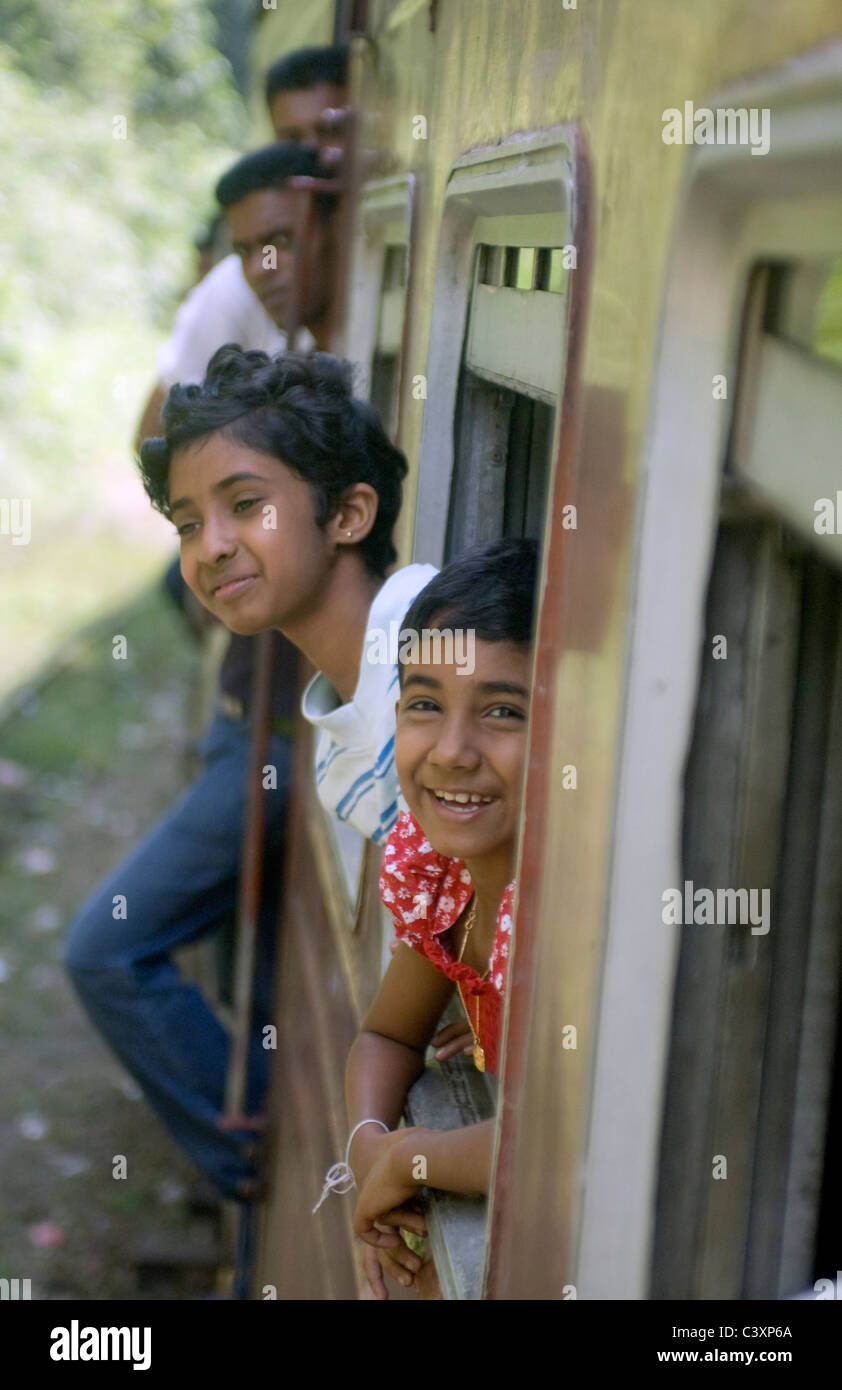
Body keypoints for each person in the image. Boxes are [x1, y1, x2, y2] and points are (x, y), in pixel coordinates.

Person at [63, 146, 340, 1206]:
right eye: (244, 249)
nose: (263, 266)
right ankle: (261, 1164)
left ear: (328, 214)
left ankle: (251, 1162)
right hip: (255, 721)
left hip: (277, 733)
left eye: (281, 239)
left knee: (106, 949)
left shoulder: (323, 385)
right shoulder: (254, 328)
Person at [337, 538, 538, 1299]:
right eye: (425, 704)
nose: (453, 751)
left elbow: (555, 1145)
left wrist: (415, 1157)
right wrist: (371, 1155)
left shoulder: (565, 918)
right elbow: (385, 1035)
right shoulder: (448, 878)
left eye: (503, 712)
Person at [138, 346, 439, 845]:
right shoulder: (339, 772)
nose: (211, 547)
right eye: (188, 524)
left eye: (246, 504)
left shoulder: (439, 640)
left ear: (346, 515)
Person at [134, 43, 348, 449]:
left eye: (328, 133)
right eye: (291, 139)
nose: (310, 156)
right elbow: (156, 433)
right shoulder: (232, 286)